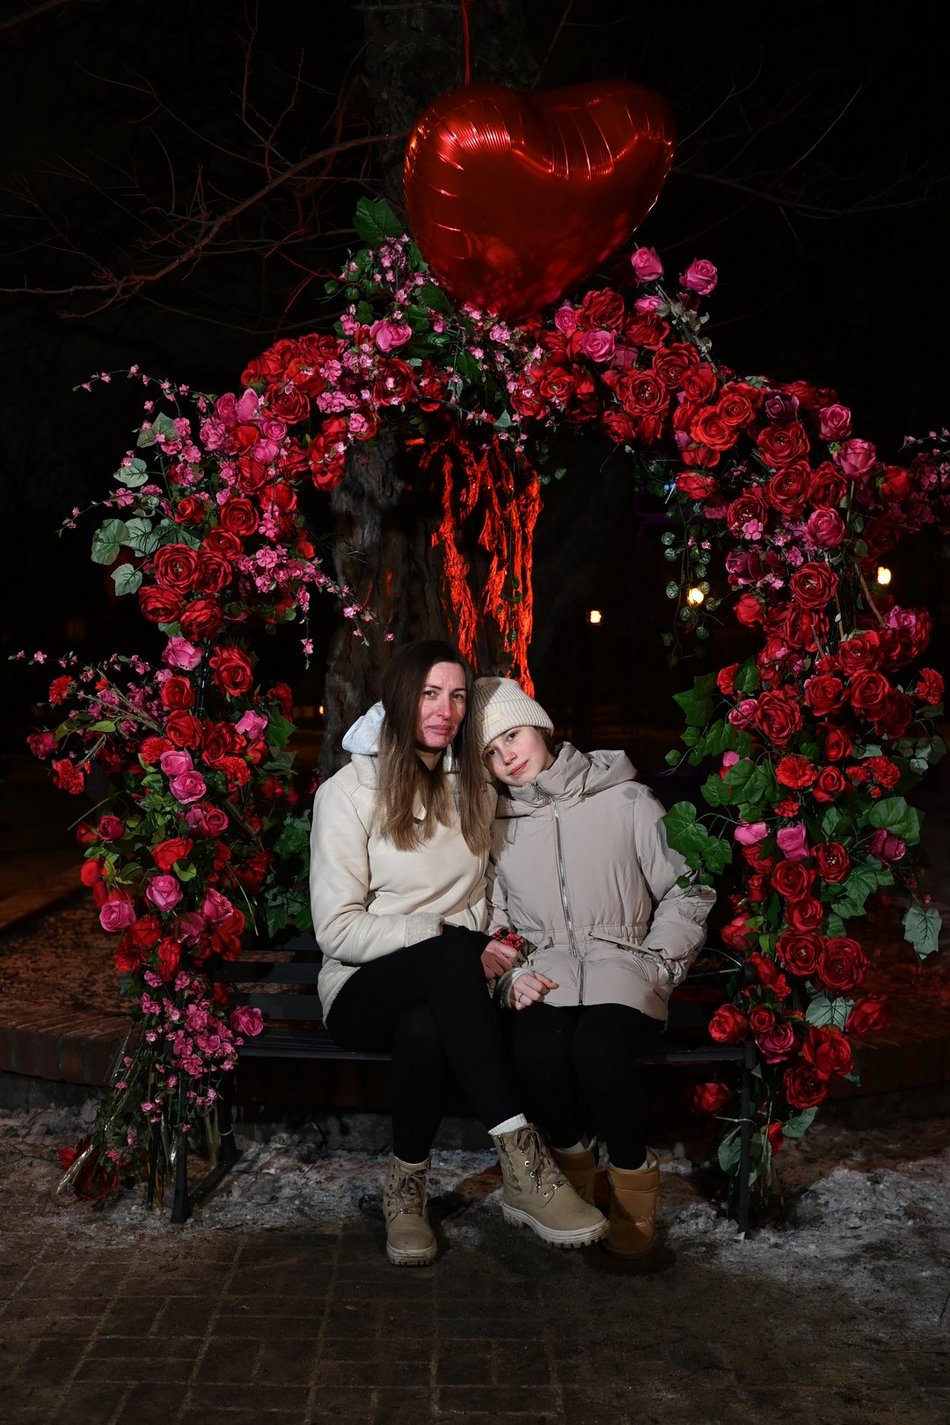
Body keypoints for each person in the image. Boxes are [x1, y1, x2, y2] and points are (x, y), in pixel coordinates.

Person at [308, 640, 607, 1265]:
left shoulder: (472, 785)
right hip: (362, 989)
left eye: (457, 696)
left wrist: (504, 955)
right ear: (400, 698)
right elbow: (337, 930)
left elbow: (490, 892)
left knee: (426, 1027)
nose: (444, 710)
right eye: (428, 693)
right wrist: (451, 940)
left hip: (452, 988)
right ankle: (524, 1163)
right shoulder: (347, 793)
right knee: (444, 954)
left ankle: (405, 1194)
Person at [473, 676, 716, 1258]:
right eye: (491, 751)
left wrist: (659, 962)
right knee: (537, 1050)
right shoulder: (497, 827)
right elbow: (492, 920)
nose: (507, 755)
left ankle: (631, 1182)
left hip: (625, 964)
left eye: (513, 735)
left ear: (541, 727)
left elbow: (686, 889)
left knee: (599, 1050)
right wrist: (511, 975)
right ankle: (574, 1173)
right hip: (545, 968)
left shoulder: (624, 799)